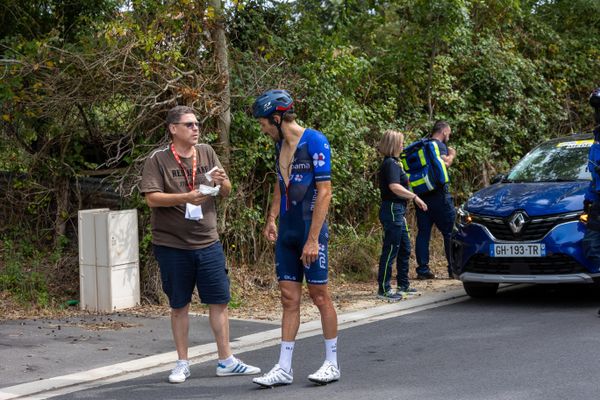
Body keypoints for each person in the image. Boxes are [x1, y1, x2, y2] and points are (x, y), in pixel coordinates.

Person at [139, 105, 260, 383]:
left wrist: (221, 182)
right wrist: (186, 197)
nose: (196, 129)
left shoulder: (206, 152)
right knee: (179, 304)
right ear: (173, 129)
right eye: (189, 124)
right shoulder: (158, 160)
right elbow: (152, 198)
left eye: (197, 124)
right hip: (172, 244)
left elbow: (227, 190)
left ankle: (226, 360)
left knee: (219, 300)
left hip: (208, 241)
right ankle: (182, 362)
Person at [250, 89, 340, 387]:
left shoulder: (315, 140)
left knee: (319, 296)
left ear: (277, 118)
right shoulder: (279, 146)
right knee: (289, 298)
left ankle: (332, 363)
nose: (262, 129)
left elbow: (325, 192)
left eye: (263, 123)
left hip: (310, 232)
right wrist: (272, 218)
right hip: (287, 231)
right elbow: (280, 183)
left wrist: (313, 239)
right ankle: (284, 367)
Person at [377, 130, 428, 301]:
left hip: (399, 210)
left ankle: (403, 284)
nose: (402, 145)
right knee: (391, 249)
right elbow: (394, 187)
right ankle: (383, 289)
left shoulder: (396, 163)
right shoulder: (390, 164)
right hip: (392, 209)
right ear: (393, 144)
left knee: (405, 247)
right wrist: (414, 197)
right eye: (400, 142)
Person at [414, 120, 457, 280]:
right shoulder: (439, 146)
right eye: (449, 132)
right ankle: (453, 268)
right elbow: (445, 163)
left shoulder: (421, 146)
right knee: (449, 232)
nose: (449, 135)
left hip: (421, 196)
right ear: (444, 131)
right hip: (439, 196)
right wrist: (452, 154)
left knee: (423, 233)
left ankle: (423, 270)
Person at [582, 88, 600, 271]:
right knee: (591, 246)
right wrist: (589, 199)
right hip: (598, 202)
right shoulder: (597, 140)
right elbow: (594, 175)